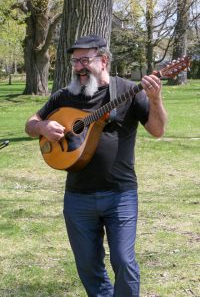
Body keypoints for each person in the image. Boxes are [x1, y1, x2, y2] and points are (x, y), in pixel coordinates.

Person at [25, 35, 167, 297]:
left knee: (124, 262)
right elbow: (30, 124)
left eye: (84, 60)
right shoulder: (64, 97)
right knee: (88, 266)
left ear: (103, 60)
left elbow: (157, 130)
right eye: (74, 61)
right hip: (78, 197)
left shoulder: (126, 90)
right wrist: (42, 126)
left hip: (120, 194)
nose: (78, 67)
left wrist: (155, 99)